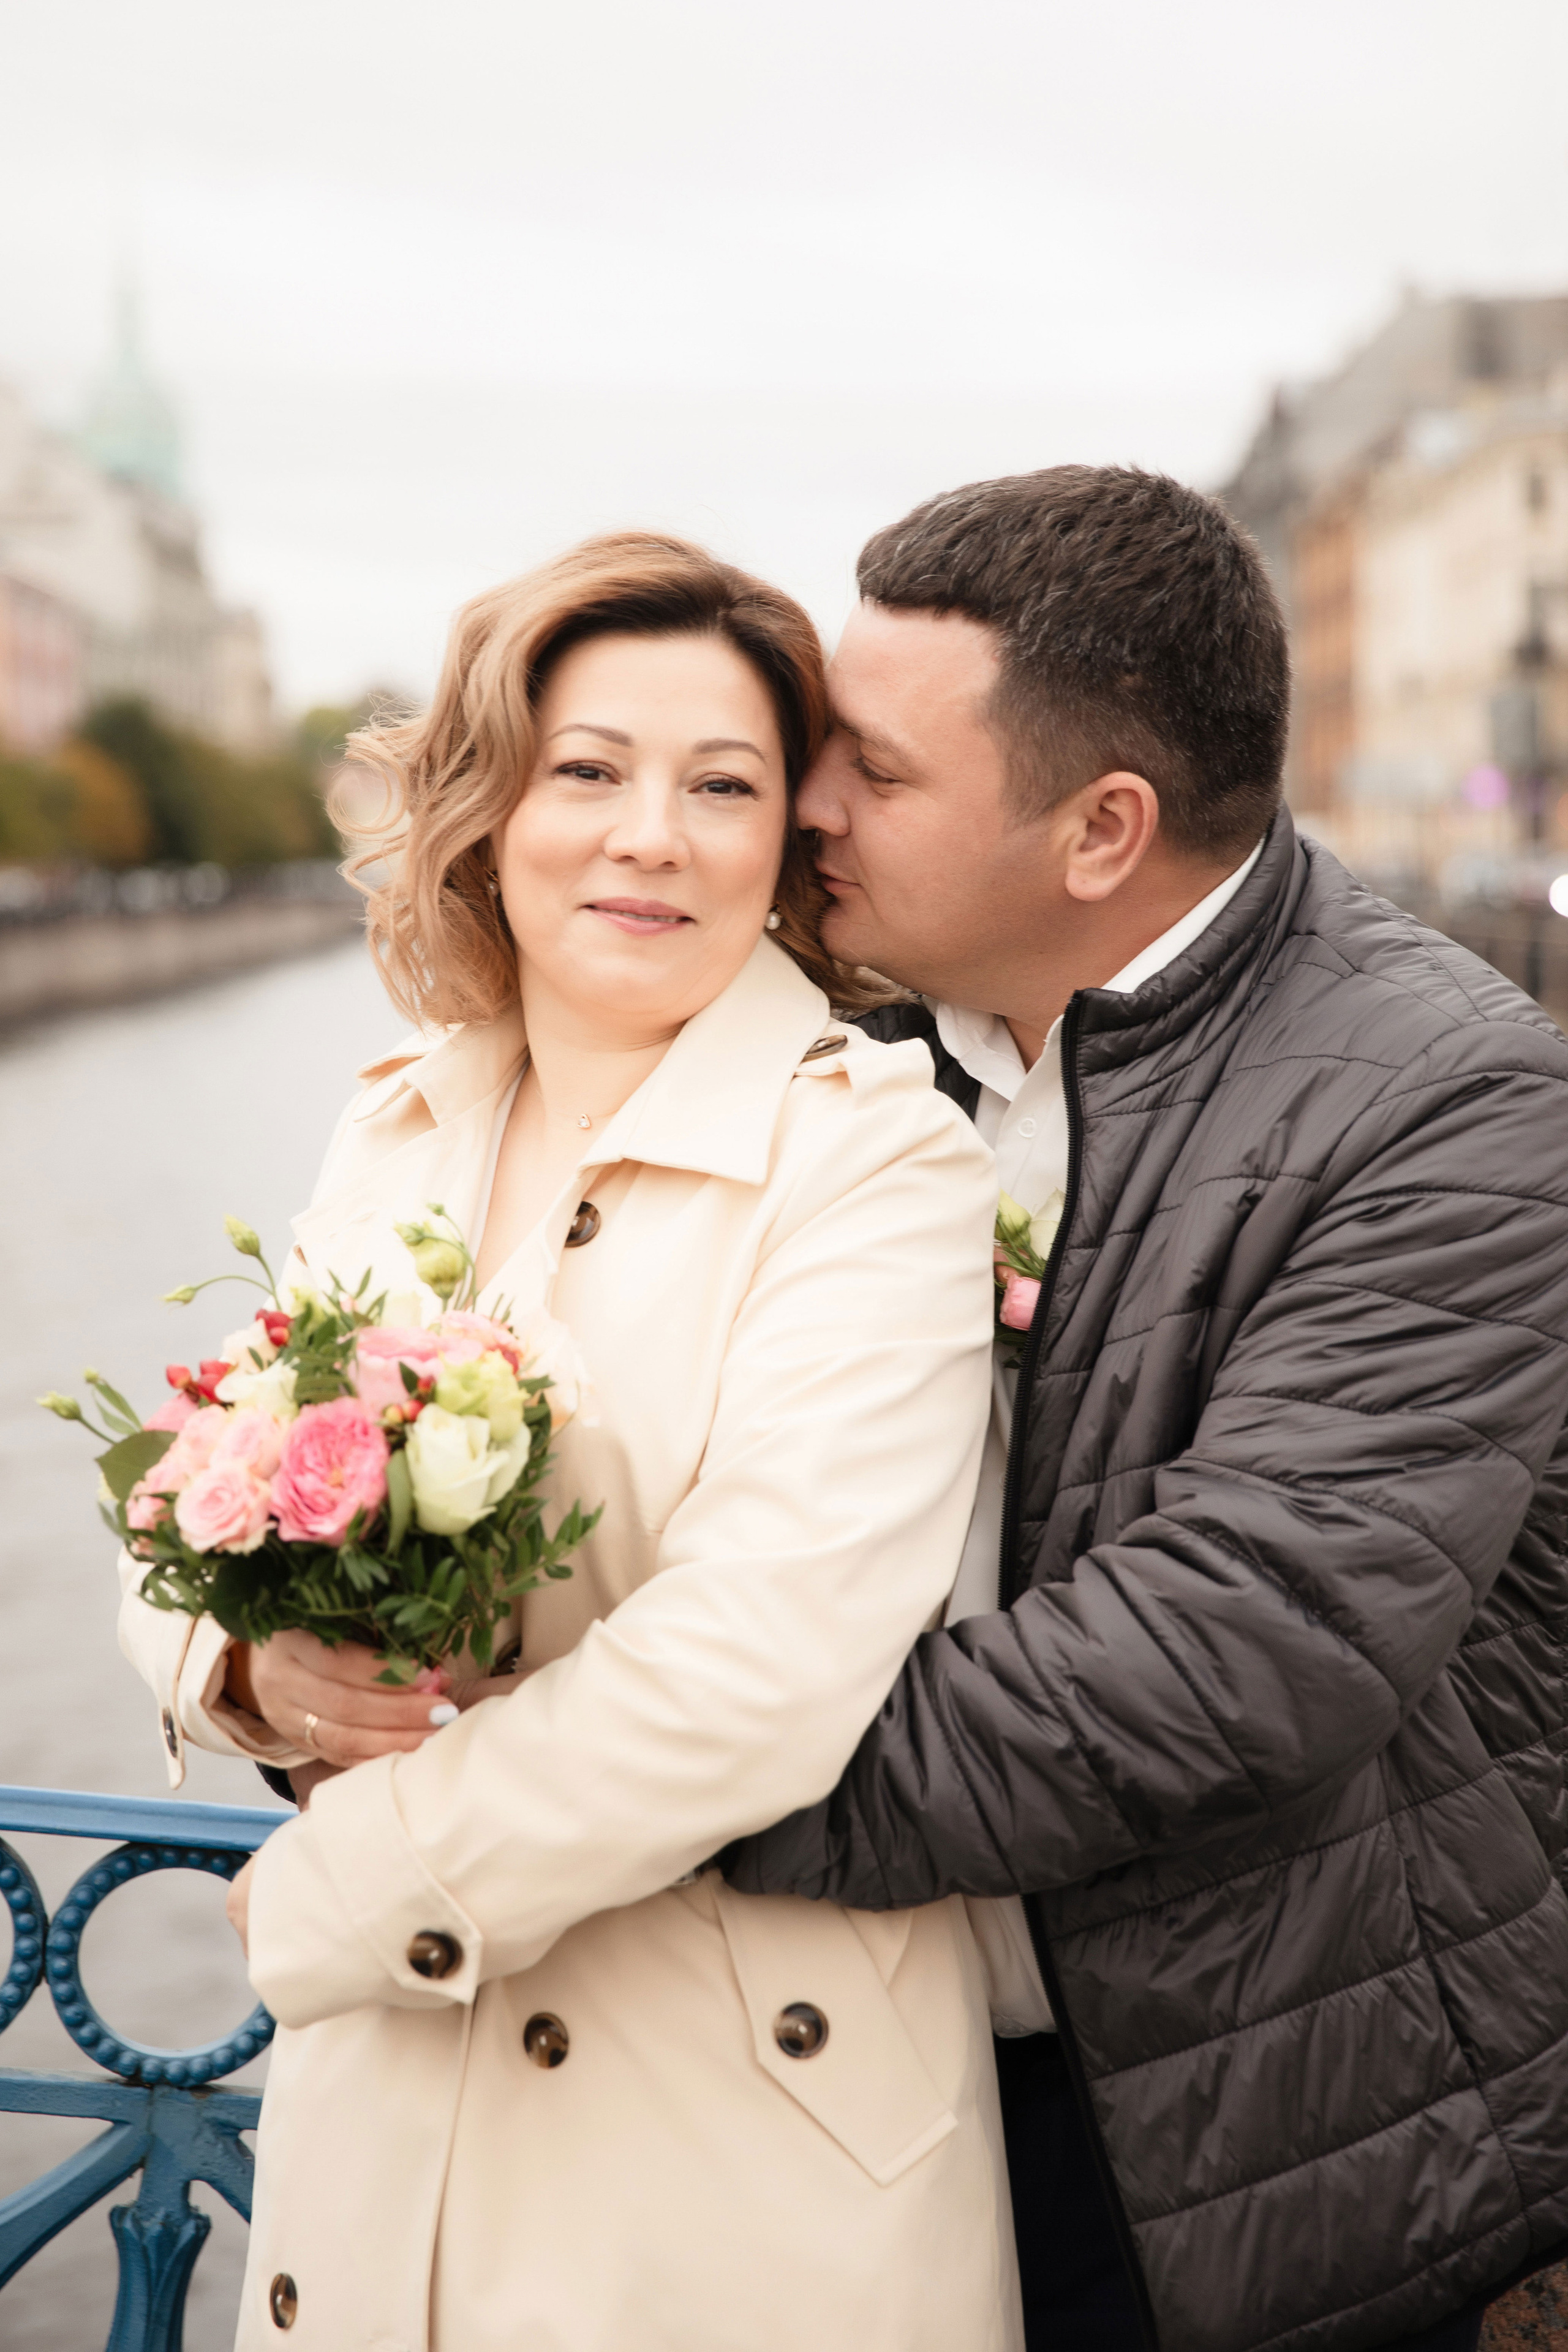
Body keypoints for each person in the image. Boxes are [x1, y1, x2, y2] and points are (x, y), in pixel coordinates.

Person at [117, 533, 1023, 2352]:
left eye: (723, 787)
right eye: (589, 771)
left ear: (787, 843)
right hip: (388, 2118)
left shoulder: (877, 1156)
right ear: (489, 803)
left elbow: (761, 1662)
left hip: (729, 2137)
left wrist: (342, 1889)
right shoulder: (398, 1125)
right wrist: (252, 1672)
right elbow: (198, 1494)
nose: (651, 836)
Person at [719, 466, 1568, 2352]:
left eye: (872, 767)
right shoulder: (792, 1052)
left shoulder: (1457, 1102)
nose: (807, 810)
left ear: (1103, 829)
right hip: (832, 2076)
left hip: (1258, 2123)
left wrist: (637, 1797)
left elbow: (1240, 1648)